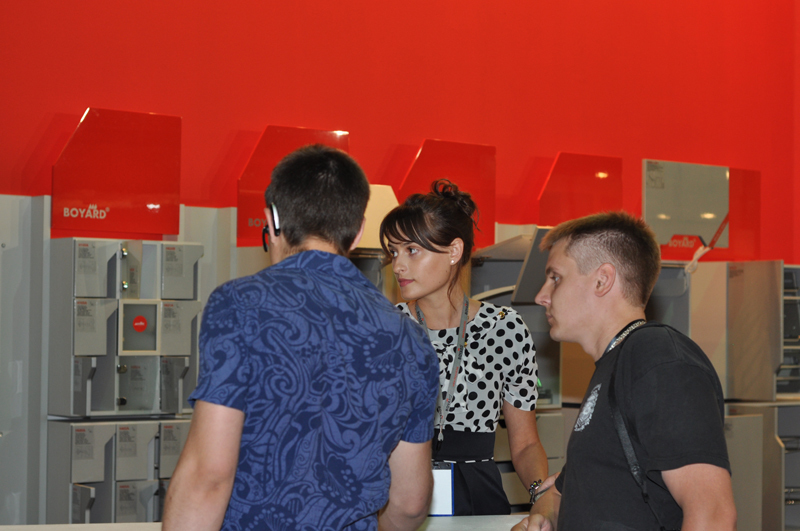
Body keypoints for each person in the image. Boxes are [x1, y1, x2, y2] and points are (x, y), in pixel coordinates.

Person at [162, 144, 440, 531]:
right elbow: (410, 504)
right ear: (357, 231)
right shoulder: (410, 338)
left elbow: (208, 477)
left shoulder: (241, 305)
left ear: (272, 219)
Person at [513, 211, 736, 531]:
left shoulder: (659, 360)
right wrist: (544, 517)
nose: (541, 296)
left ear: (602, 280)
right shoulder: (616, 366)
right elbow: (566, 491)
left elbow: (712, 515)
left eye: (556, 278)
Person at [379, 179, 548, 516]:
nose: (398, 265)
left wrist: (541, 495)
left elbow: (526, 443)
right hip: (398, 496)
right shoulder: (384, 330)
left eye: (411, 250)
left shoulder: (505, 328)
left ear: (454, 251)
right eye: (394, 252)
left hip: (479, 496)